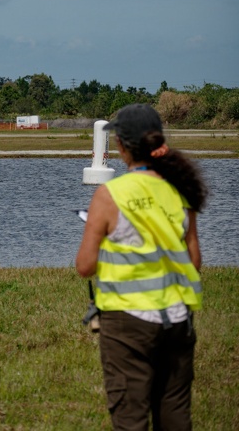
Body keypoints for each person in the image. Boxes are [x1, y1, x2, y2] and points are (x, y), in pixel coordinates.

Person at [75, 103, 207, 430]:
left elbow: (85, 266)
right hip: (177, 319)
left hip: (126, 323)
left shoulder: (110, 195)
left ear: (120, 146)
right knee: (176, 415)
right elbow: (194, 261)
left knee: (130, 418)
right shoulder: (180, 189)